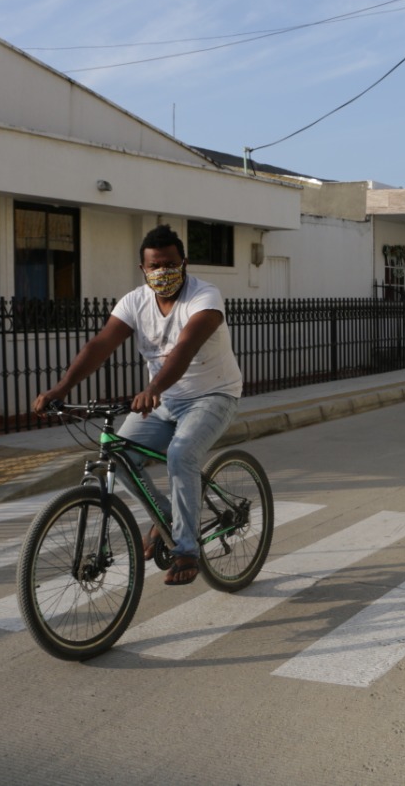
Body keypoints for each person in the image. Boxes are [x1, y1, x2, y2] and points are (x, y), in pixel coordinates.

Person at [32, 224, 242, 586]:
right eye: (155, 266)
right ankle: (166, 520)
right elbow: (100, 345)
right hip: (163, 399)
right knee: (118, 454)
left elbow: (184, 349)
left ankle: (187, 548)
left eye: (170, 263)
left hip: (213, 395)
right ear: (142, 269)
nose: (163, 272)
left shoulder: (204, 297)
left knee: (181, 454)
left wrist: (153, 387)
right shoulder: (135, 301)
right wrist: (61, 388)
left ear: (184, 262)